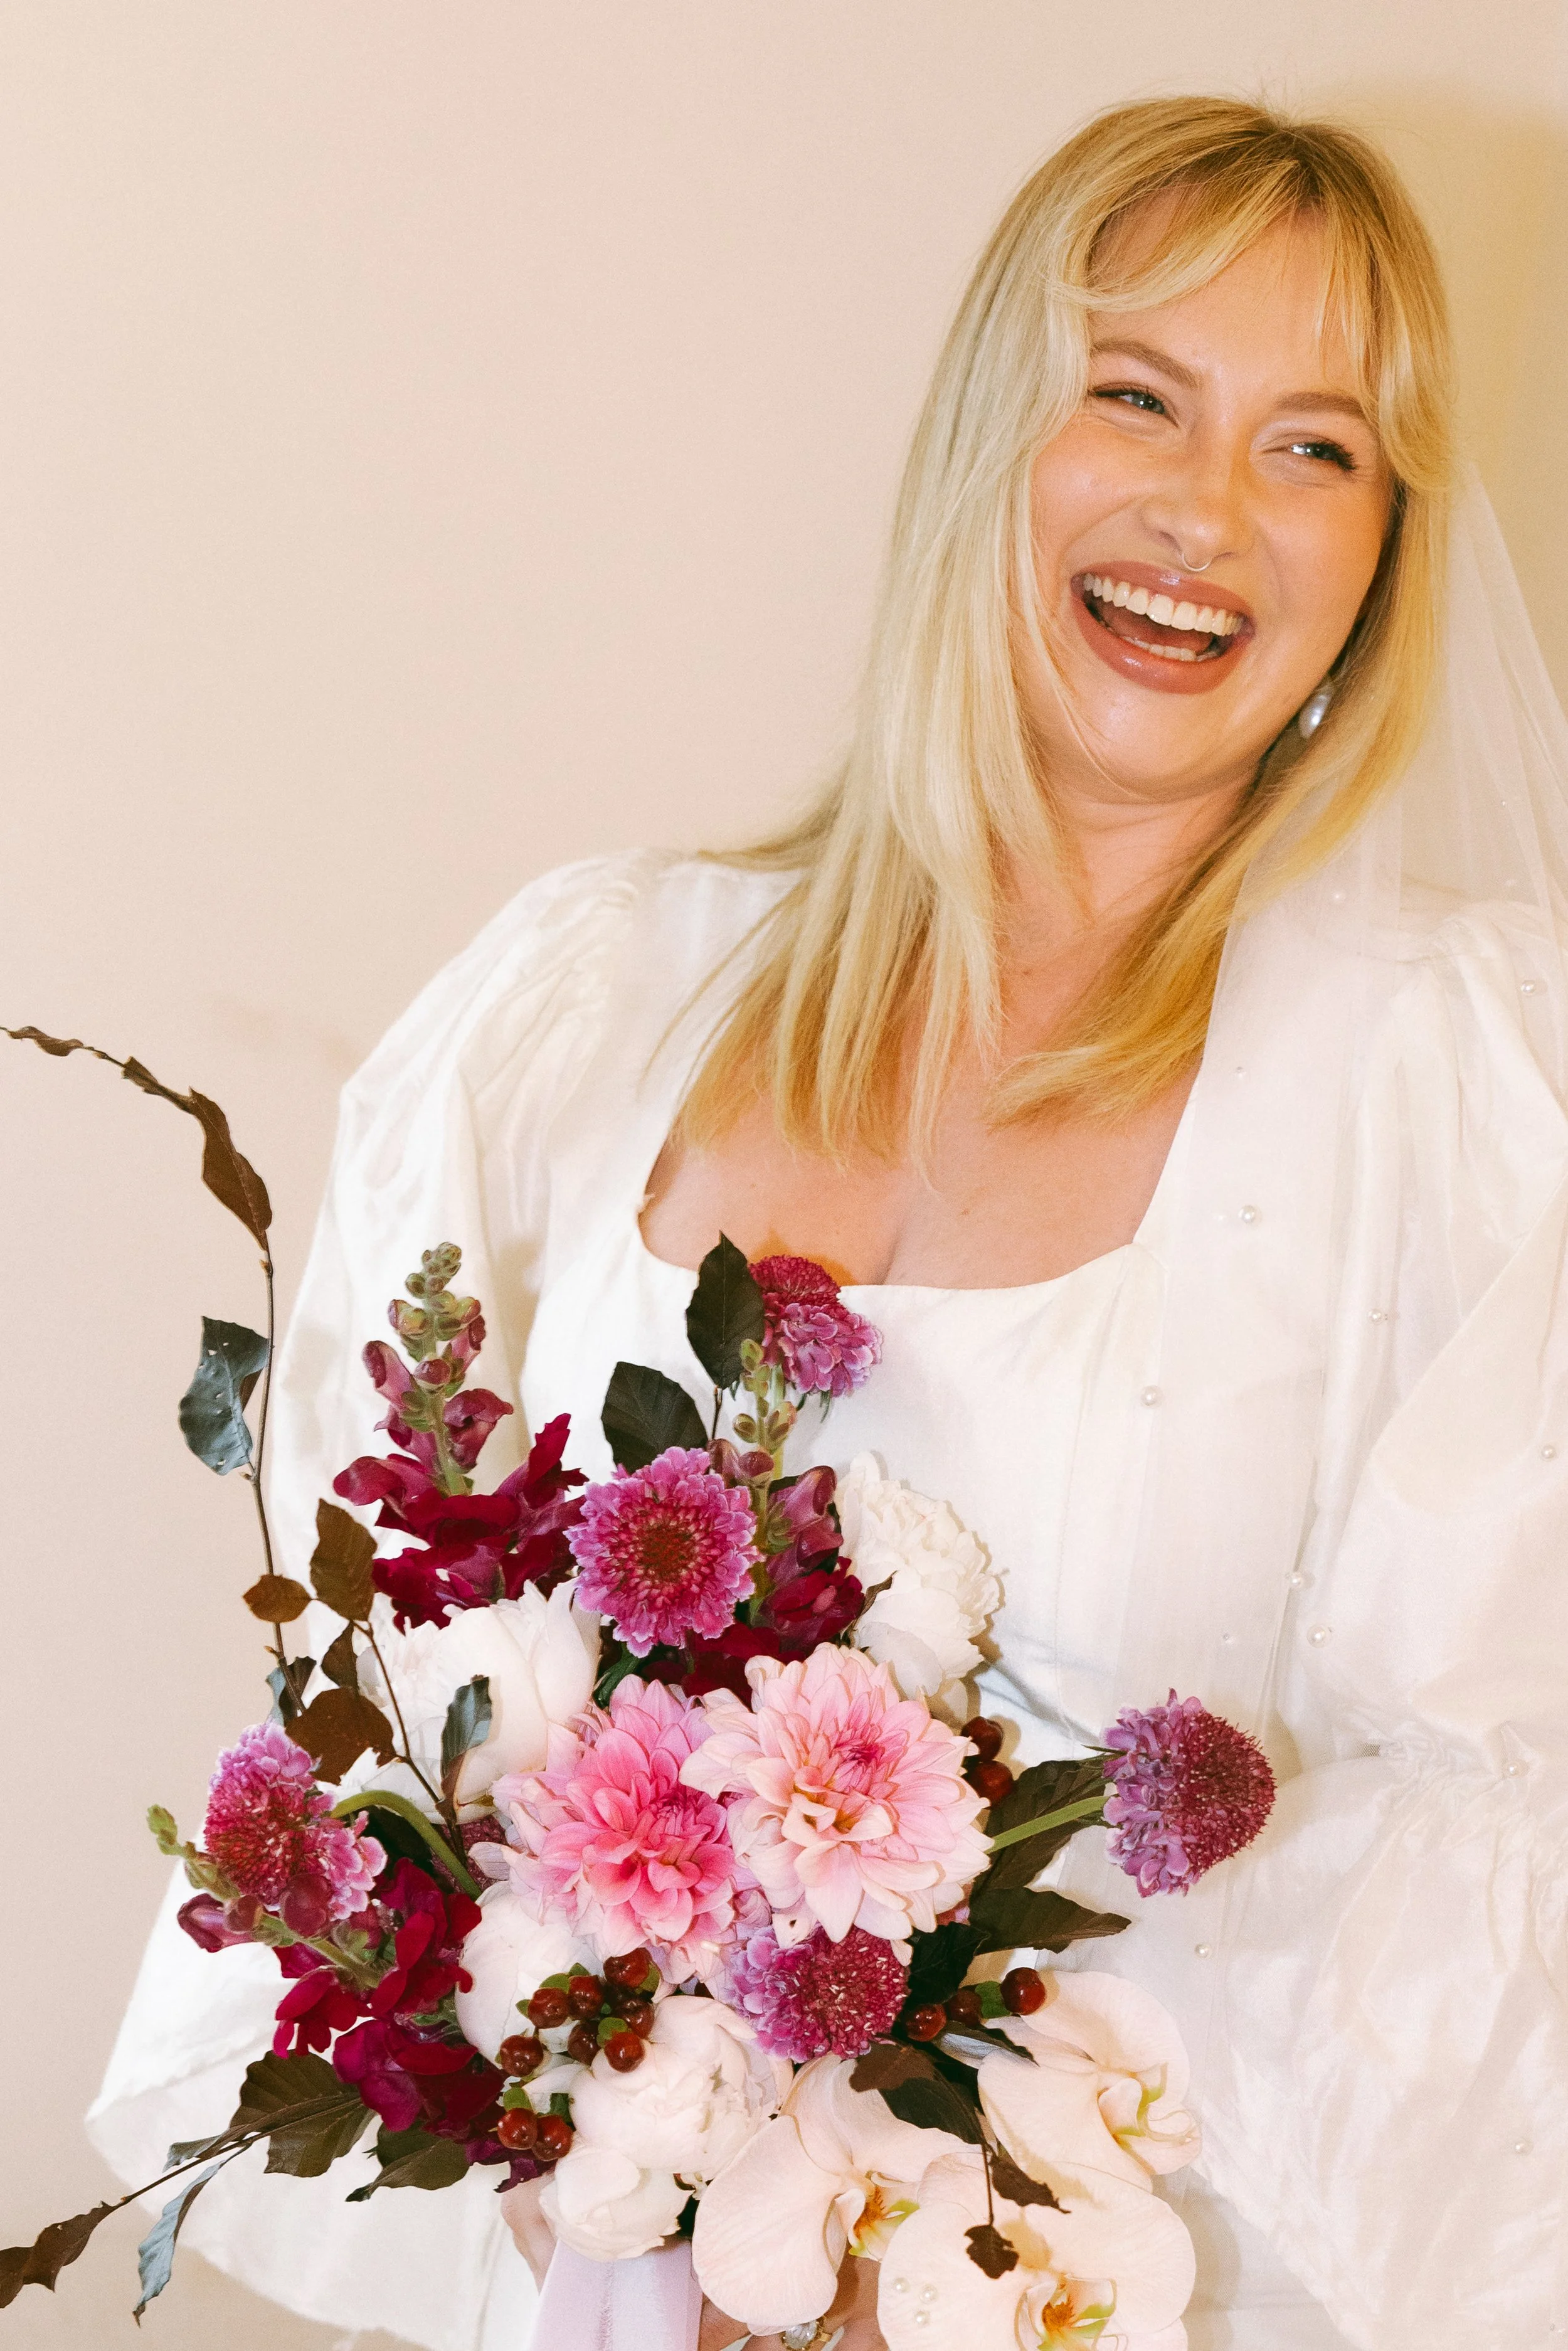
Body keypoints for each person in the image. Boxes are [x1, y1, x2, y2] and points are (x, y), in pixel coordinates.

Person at [90, 96, 1568, 2351]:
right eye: (1136, 393)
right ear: (994, 433)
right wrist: (584, 2131)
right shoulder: (588, 1000)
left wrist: (932, 2247)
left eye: (1315, 448)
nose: (1204, 512)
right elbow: (378, 1697)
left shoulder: (1452, 1085)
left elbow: (1502, 1834)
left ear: (1382, 550)